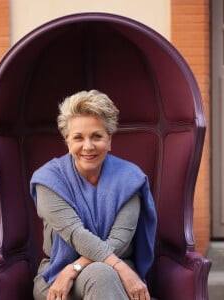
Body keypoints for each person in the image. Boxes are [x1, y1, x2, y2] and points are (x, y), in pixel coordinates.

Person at [30, 90, 157, 300]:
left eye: (97, 136)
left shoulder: (130, 178)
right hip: (57, 280)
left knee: (102, 274)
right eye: (78, 137)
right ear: (67, 141)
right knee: (101, 274)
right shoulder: (49, 179)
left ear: (109, 140)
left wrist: (75, 267)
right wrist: (120, 268)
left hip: (115, 276)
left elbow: (119, 241)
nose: (88, 146)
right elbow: (76, 234)